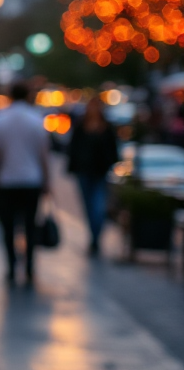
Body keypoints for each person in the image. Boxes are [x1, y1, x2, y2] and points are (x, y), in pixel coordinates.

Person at [0, 82, 50, 283]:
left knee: (7, 226)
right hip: (31, 181)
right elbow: (43, 155)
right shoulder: (36, 119)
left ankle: (12, 266)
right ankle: (29, 265)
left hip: (6, 181)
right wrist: (47, 181)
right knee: (30, 225)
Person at [68, 96, 120, 256]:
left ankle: (96, 238)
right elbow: (73, 148)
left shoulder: (107, 128)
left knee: (98, 207)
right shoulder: (81, 126)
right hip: (84, 172)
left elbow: (114, 151)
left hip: (100, 173)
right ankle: (93, 237)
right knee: (88, 206)